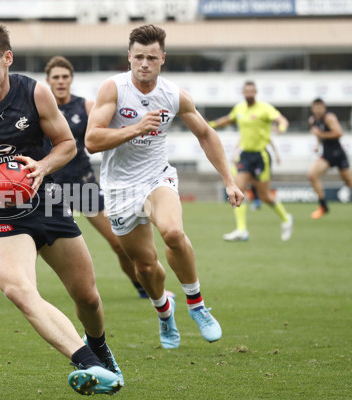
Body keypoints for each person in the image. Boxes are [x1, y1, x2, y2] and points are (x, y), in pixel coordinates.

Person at [0, 22, 122, 395]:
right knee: (18, 289)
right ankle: (90, 364)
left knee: (87, 296)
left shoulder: (35, 93)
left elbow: (66, 143)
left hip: (47, 203)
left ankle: (98, 346)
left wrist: (42, 167)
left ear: (7, 58)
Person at [85, 24, 244, 349]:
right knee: (144, 265)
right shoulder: (113, 89)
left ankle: (197, 304)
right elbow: (91, 140)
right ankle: (163, 310)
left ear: (162, 60)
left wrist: (229, 181)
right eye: (139, 56)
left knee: (173, 232)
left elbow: (206, 133)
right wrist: (135, 128)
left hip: (157, 177)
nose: (144, 63)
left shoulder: (174, 95)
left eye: (151, 58)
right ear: (129, 57)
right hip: (119, 188)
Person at [44, 55, 147, 299]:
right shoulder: (40, 108)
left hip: (83, 186)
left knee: (119, 244)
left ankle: (144, 287)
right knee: (36, 245)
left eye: (65, 77)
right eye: (55, 77)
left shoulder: (87, 106)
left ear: (71, 79)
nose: (60, 81)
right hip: (51, 189)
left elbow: (107, 132)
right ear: (47, 80)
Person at [209, 81, 293, 242]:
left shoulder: (265, 108)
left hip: (260, 157)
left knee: (265, 196)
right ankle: (242, 230)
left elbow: (282, 121)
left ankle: (286, 218)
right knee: (238, 190)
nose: (248, 93)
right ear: (243, 92)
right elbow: (228, 119)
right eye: (246, 90)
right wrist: (210, 124)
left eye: (251, 90)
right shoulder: (239, 109)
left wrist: (281, 129)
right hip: (245, 156)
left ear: (256, 92)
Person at [307, 98, 352, 219]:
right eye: (315, 107)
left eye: (320, 107)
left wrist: (320, 134)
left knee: (351, 182)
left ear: (324, 108)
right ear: (312, 109)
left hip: (338, 154)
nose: (318, 109)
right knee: (312, 175)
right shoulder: (313, 120)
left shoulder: (329, 118)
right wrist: (317, 145)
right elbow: (318, 134)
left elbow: (339, 133)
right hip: (326, 155)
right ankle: (323, 206)